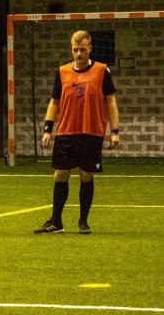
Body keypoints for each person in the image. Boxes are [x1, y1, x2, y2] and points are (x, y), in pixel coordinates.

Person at [34, 30, 120, 234]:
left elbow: (111, 101)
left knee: (86, 175)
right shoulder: (62, 71)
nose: (79, 53)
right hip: (66, 131)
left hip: (91, 131)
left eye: (83, 49)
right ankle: (56, 222)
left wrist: (115, 130)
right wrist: (48, 129)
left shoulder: (102, 71)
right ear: (71, 50)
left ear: (90, 49)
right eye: (75, 49)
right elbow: (54, 102)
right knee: (60, 174)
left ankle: (83, 221)